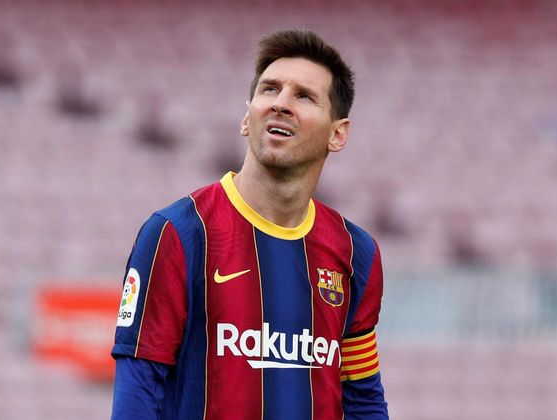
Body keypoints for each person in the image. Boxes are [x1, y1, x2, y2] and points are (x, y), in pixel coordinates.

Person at [111, 29, 388, 420]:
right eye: (270, 90)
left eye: (303, 96)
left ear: (337, 133)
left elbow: (363, 400)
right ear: (246, 118)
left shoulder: (356, 252)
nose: (281, 104)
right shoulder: (178, 232)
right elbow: (138, 394)